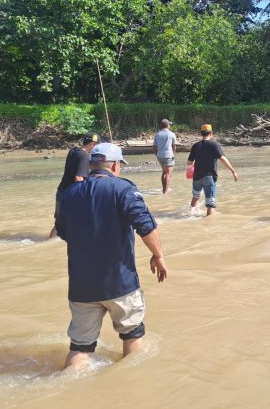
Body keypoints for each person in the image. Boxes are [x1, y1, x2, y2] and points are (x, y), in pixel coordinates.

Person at [55, 143, 168, 369]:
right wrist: (158, 255)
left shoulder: (68, 193)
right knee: (132, 335)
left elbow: (63, 231)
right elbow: (146, 227)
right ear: (115, 165)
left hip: (81, 286)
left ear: (91, 165)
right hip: (120, 282)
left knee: (80, 347)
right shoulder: (123, 189)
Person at [49, 132, 99, 238]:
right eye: (96, 145)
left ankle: (49, 242)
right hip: (70, 195)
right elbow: (79, 178)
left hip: (61, 191)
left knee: (59, 224)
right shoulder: (84, 155)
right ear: (92, 144)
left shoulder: (74, 150)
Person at [187, 124, 238, 216]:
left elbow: (189, 162)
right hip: (209, 177)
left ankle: (191, 215)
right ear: (211, 133)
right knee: (210, 203)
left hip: (197, 177)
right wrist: (233, 171)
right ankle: (208, 222)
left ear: (201, 134)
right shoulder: (214, 144)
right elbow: (222, 159)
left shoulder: (195, 146)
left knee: (195, 197)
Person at [153, 119, 177, 194]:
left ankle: (164, 189)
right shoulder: (171, 134)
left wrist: (157, 154)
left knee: (164, 172)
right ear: (167, 125)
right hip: (168, 155)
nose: (170, 125)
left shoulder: (157, 134)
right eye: (169, 124)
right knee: (168, 173)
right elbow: (174, 147)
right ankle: (165, 191)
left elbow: (154, 147)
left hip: (160, 155)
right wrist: (173, 154)